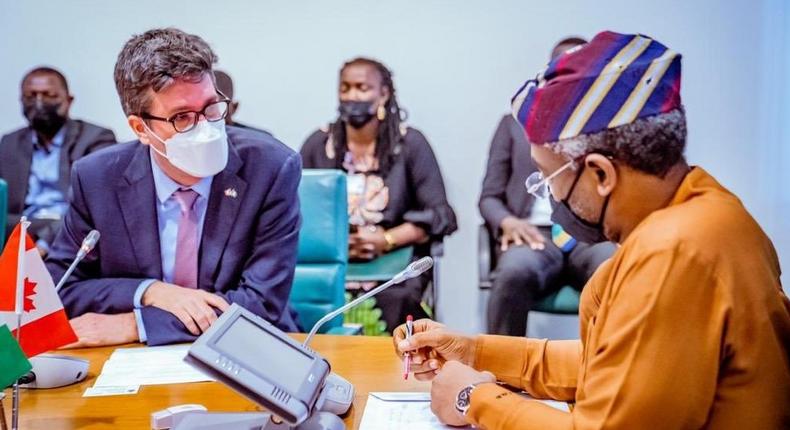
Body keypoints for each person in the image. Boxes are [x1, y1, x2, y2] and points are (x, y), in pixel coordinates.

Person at [395, 31, 790, 429]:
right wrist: (473, 351)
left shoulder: (674, 251)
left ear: (600, 173)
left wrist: (472, 398)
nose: (548, 195)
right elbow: (601, 364)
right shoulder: (706, 208)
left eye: (548, 178)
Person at [46, 28, 301, 347]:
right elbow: (61, 288)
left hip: (245, 347)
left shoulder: (271, 168)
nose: (205, 128)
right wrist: (151, 292)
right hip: (129, 363)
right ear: (141, 128)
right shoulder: (97, 179)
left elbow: (262, 304)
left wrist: (137, 324)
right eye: (182, 117)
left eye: (211, 107)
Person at [300, 57, 457, 333]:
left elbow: (440, 214)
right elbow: (298, 209)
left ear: (383, 94)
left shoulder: (410, 144)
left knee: (398, 297)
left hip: (393, 263)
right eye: (345, 87)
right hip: (334, 264)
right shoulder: (318, 144)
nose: (352, 95)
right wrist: (335, 242)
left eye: (362, 88)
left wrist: (385, 240)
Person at [480, 37, 615, 336]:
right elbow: (489, 197)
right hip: (535, 235)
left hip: (592, 234)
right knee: (513, 271)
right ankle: (499, 373)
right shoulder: (514, 125)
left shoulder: (610, 125)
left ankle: (610, 373)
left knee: (613, 268)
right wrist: (507, 221)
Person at [0, 67, 116, 252]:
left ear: (68, 101)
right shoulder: (9, 143)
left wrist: (46, 242)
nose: (39, 103)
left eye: (49, 95)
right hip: (19, 231)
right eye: (31, 96)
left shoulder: (96, 139)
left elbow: (98, 204)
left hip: (71, 230)